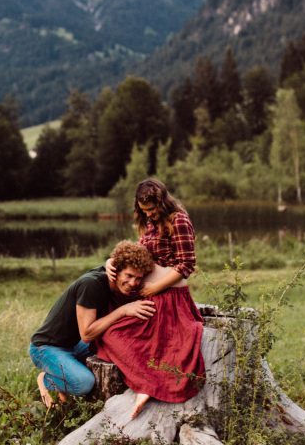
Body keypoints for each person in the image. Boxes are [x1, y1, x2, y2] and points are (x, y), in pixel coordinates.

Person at [98, 178, 205, 418]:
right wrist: (111, 261)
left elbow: (187, 264)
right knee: (113, 334)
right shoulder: (148, 220)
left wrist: (156, 288)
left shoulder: (178, 220)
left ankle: (148, 387)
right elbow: (140, 253)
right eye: (145, 210)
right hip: (150, 293)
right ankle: (145, 382)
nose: (150, 214)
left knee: (160, 342)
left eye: (153, 209)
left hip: (170, 297)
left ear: (163, 202)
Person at [29, 240, 156, 408]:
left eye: (138, 278)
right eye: (129, 276)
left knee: (114, 351)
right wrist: (123, 310)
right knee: (84, 383)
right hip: (46, 347)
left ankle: (69, 373)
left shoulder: (118, 284)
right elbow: (87, 333)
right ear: (116, 271)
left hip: (75, 344)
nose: (133, 283)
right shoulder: (92, 284)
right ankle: (47, 380)